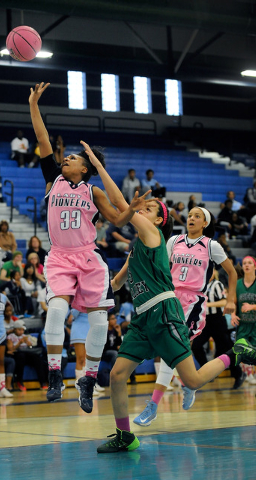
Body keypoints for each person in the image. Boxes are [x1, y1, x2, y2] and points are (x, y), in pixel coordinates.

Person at [79, 140, 256, 454]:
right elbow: (116, 286)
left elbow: (120, 203)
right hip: (143, 319)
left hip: (165, 313)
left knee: (192, 380)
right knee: (118, 375)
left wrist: (96, 165)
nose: (141, 209)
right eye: (143, 208)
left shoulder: (153, 235)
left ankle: (236, 353)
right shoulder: (136, 251)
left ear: (159, 220)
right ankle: (125, 435)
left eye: (148, 209)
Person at [29, 82, 146, 410]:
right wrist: (34, 104)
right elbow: (42, 138)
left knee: (98, 321)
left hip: (89, 257)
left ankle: (88, 379)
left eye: (74, 158)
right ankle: (55, 375)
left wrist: (131, 210)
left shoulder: (93, 191)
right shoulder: (53, 179)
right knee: (56, 310)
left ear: (86, 168)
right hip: (60, 257)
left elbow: (117, 220)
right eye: (66, 156)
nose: (66, 158)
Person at [134, 205, 239, 427]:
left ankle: (153, 406)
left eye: (197, 216)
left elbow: (232, 272)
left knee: (170, 352)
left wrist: (231, 300)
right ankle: (190, 385)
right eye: (190, 215)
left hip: (193, 302)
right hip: (170, 298)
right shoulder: (174, 241)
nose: (191, 218)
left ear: (205, 223)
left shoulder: (212, 245)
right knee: (171, 352)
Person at [191, 270, 244, 388]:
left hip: (217, 321)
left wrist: (208, 305)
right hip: (205, 322)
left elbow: (224, 301)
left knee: (227, 349)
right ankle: (208, 373)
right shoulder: (200, 285)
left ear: (214, 272)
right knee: (196, 346)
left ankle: (238, 374)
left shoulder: (217, 284)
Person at [231, 256, 256, 385]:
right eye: (244, 263)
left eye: (249, 263)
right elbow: (233, 303)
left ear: (254, 266)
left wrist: (252, 306)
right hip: (243, 324)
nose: (246, 265)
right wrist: (233, 315)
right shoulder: (238, 284)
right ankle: (248, 374)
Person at [6, 319, 47, 391]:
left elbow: (30, 347)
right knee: (21, 356)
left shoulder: (25, 336)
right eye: (19, 330)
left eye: (22, 330)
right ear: (15, 329)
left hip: (27, 353)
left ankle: (42, 382)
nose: (21, 332)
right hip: (17, 355)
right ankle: (19, 381)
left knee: (37, 358)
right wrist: (19, 343)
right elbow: (10, 349)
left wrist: (28, 343)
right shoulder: (10, 337)